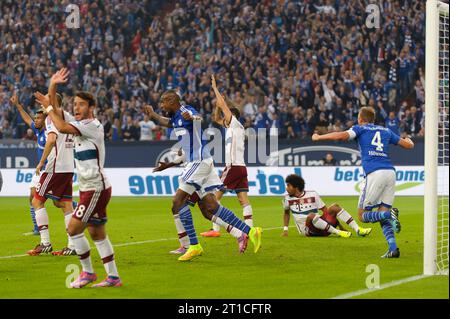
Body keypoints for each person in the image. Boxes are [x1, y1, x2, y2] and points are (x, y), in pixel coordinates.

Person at [143, 89, 262, 262]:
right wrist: (153, 114)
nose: (161, 105)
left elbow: (197, 118)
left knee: (178, 202)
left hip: (198, 161)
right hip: (202, 162)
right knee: (211, 207)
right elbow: (167, 122)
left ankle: (193, 245)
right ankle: (251, 231)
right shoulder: (176, 118)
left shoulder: (186, 110)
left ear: (171, 100)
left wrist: (193, 119)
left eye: (163, 102)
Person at [35, 89, 121, 288]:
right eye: (75, 104)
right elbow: (58, 112)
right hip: (89, 187)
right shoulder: (80, 123)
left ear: (92, 108)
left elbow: (61, 124)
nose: (76, 107)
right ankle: (113, 277)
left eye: (81, 104)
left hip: (95, 188)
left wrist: (49, 106)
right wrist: (53, 87)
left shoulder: (91, 125)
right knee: (97, 232)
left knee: (73, 229)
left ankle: (88, 273)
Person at [312, 107, 415, 258]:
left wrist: (319, 137)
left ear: (360, 118)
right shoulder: (386, 131)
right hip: (390, 173)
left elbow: (341, 135)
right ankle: (393, 248)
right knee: (380, 215)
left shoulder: (360, 128)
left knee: (362, 215)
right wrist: (410, 140)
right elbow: (408, 146)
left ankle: (389, 214)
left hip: (375, 174)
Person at [27, 69, 78, 256]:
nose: (45, 100)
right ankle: (72, 246)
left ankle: (45, 243)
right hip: (68, 167)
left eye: (48, 98)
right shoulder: (67, 117)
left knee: (37, 201)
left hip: (54, 167)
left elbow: (51, 139)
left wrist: (41, 162)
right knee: (65, 204)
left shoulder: (51, 118)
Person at [200, 75, 253, 237]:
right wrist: (217, 106)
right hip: (241, 167)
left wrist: (215, 89)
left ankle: (215, 230)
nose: (223, 119)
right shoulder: (232, 127)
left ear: (232, 116)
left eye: (226, 116)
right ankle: (250, 230)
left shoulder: (235, 123)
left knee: (214, 198)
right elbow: (215, 118)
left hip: (233, 167)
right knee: (243, 200)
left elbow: (223, 106)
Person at [281, 174, 372, 238]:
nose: (286, 188)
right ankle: (338, 233)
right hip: (308, 231)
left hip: (323, 228)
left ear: (296, 187)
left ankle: (358, 229)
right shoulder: (287, 199)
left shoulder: (312, 194)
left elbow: (325, 211)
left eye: (288, 186)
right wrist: (285, 230)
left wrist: (339, 225)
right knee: (311, 215)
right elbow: (286, 213)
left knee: (334, 207)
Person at [10, 93, 47, 235]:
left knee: (60, 201)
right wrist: (18, 106)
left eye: (38, 118)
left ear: (45, 121)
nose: (35, 121)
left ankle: (79, 209)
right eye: (36, 118)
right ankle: (37, 228)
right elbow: (27, 120)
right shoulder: (39, 131)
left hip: (48, 171)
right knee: (32, 197)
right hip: (40, 170)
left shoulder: (49, 133)